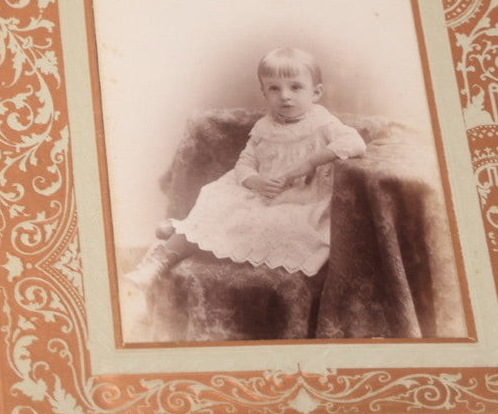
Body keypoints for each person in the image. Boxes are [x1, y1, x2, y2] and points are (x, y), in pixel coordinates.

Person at [126, 46, 367, 289]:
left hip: (300, 199)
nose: (285, 96)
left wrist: (311, 162)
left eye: (295, 87)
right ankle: (161, 258)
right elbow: (245, 163)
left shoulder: (323, 123)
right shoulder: (264, 127)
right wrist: (255, 181)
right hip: (259, 193)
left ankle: (182, 228)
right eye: (274, 88)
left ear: (315, 93)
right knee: (220, 202)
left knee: (274, 224)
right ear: (264, 93)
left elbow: (354, 143)